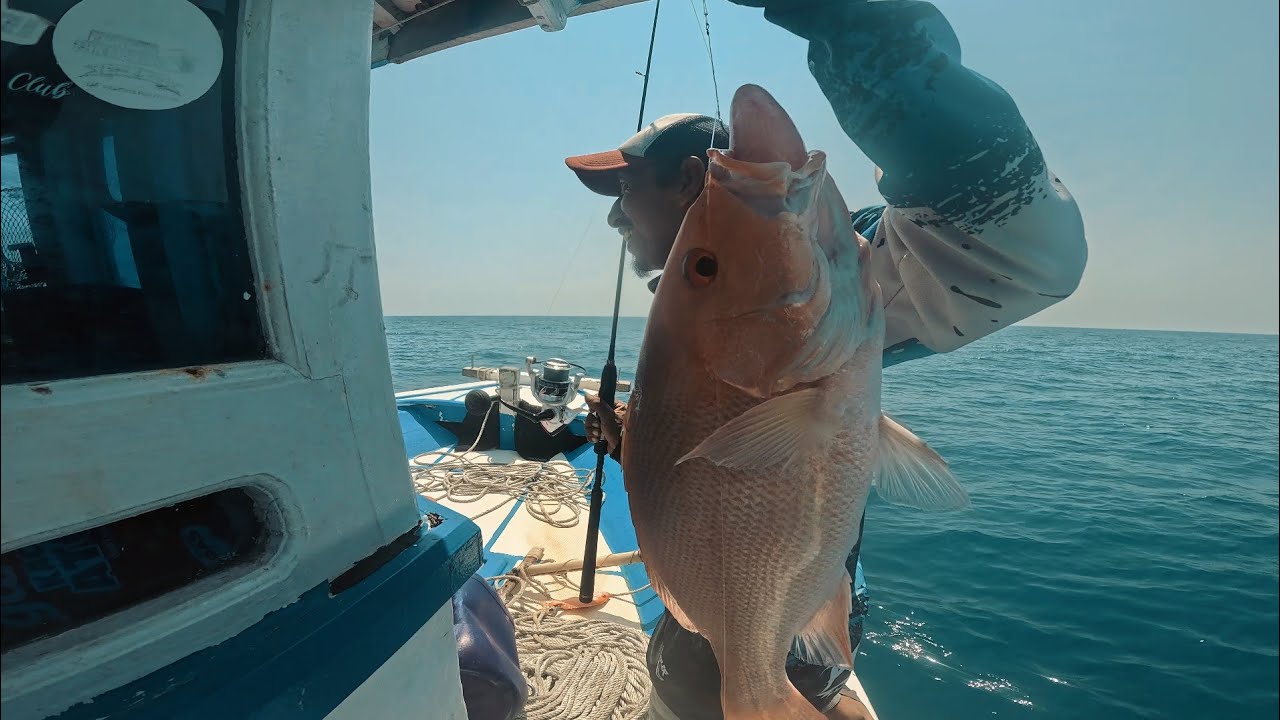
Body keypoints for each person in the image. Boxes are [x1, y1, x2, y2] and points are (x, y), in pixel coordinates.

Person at [569, 2, 1088, 718]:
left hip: (787, 624)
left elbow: (1016, 255)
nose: (615, 215)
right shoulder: (694, 314)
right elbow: (708, 454)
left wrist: (868, 38)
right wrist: (629, 437)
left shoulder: (832, 269)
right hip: (709, 619)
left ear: (692, 179)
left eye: (626, 188)